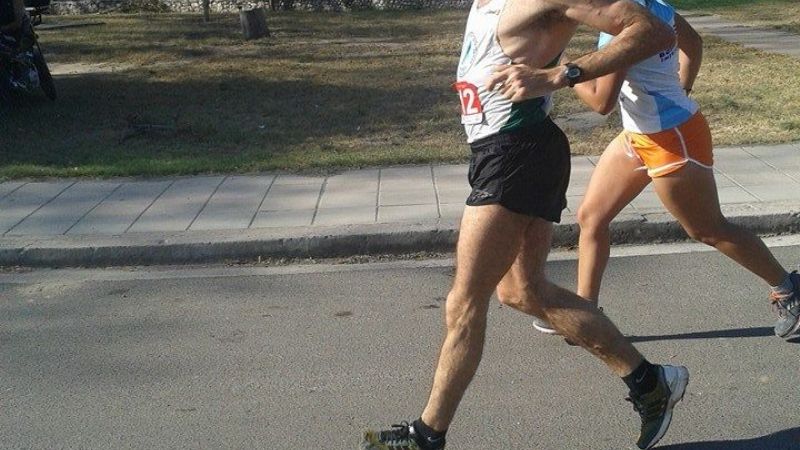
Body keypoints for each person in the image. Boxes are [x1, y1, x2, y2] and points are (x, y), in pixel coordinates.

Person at [361, 1, 690, 449]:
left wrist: (562, 74)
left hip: (516, 153)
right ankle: (651, 383)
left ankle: (426, 436)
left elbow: (652, 31)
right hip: (507, 152)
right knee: (522, 291)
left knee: (464, 300)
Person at [529, 0, 800, 340]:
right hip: (640, 135)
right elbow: (694, 43)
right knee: (592, 217)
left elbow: (601, 102)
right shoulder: (655, 6)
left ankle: (790, 290)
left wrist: (562, 67)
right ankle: (587, 314)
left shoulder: (623, 25)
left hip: (672, 139)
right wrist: (680, 90)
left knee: (708, 229)